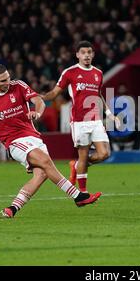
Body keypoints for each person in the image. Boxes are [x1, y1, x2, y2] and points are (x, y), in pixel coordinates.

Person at [0, 63, 101, 218]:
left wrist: (38, 113)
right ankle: (78, 196)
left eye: (7, 78)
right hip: (14, 142)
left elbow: (39, 101)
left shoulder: (19, 86)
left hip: (34, 138)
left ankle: (13, 208)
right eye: (2, 81)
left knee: (41, 174)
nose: (7, 82)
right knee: (45, 161)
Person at [42, 41, 120, 193]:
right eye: (83, 52)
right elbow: (55, 92)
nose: (86, 55)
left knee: (105, 154)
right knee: (83, 155)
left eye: (89, 52)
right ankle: (83, 193)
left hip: (96, 119)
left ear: (93, 55)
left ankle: (76, 166)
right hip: (79, 122)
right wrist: (39, 97)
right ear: (77, 55)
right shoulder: (69, 72)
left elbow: (99, 96)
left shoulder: (98, 73)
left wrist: (111, 115)